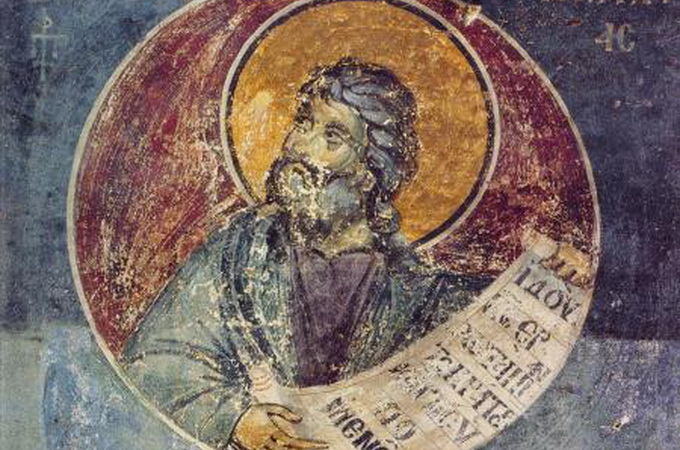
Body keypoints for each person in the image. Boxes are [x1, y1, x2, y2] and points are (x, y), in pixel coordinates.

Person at [121, 59, 491, 450]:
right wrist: (234, 419)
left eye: (332, 137)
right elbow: (155, 361)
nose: (299, 145)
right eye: (303, 123)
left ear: (370, 173)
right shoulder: (238, 251)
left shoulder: (424, 296)